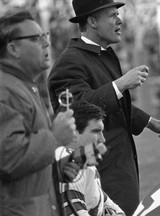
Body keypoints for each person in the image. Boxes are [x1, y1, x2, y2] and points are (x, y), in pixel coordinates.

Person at [48, 0, 160, 215]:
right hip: (100, 169)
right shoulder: (69, 62)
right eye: (111, 15)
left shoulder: (102, 54)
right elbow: (74, 112)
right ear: (92, 21)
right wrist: (120, 84)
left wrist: (148, 122)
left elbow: (112, 103)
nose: (119, 19)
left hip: (118, 166)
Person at [0, 8, 78, 216]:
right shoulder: (5, 90)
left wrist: (54, 169)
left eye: (44, 36)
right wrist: (54, 138)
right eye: (35, 38)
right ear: (13, 48)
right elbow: (8, 159)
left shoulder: (23, 86)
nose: (46, 43)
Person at [55, 101, 125, 216]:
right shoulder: (72, 166)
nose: (102, 139)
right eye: (96, 131)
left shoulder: (83, 161)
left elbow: (99, 197)